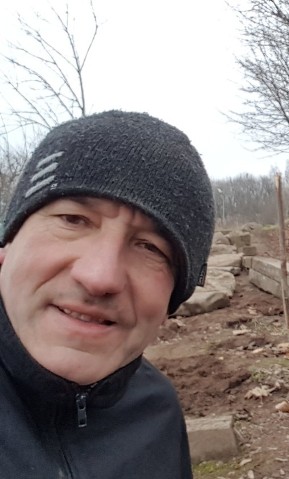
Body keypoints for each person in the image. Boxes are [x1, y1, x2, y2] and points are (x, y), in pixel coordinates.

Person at [0, 111, 215, 477]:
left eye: (151, 248)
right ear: (8, 245)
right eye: (73, 220)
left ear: (169, 304)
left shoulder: (158, 414)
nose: (100, 277)